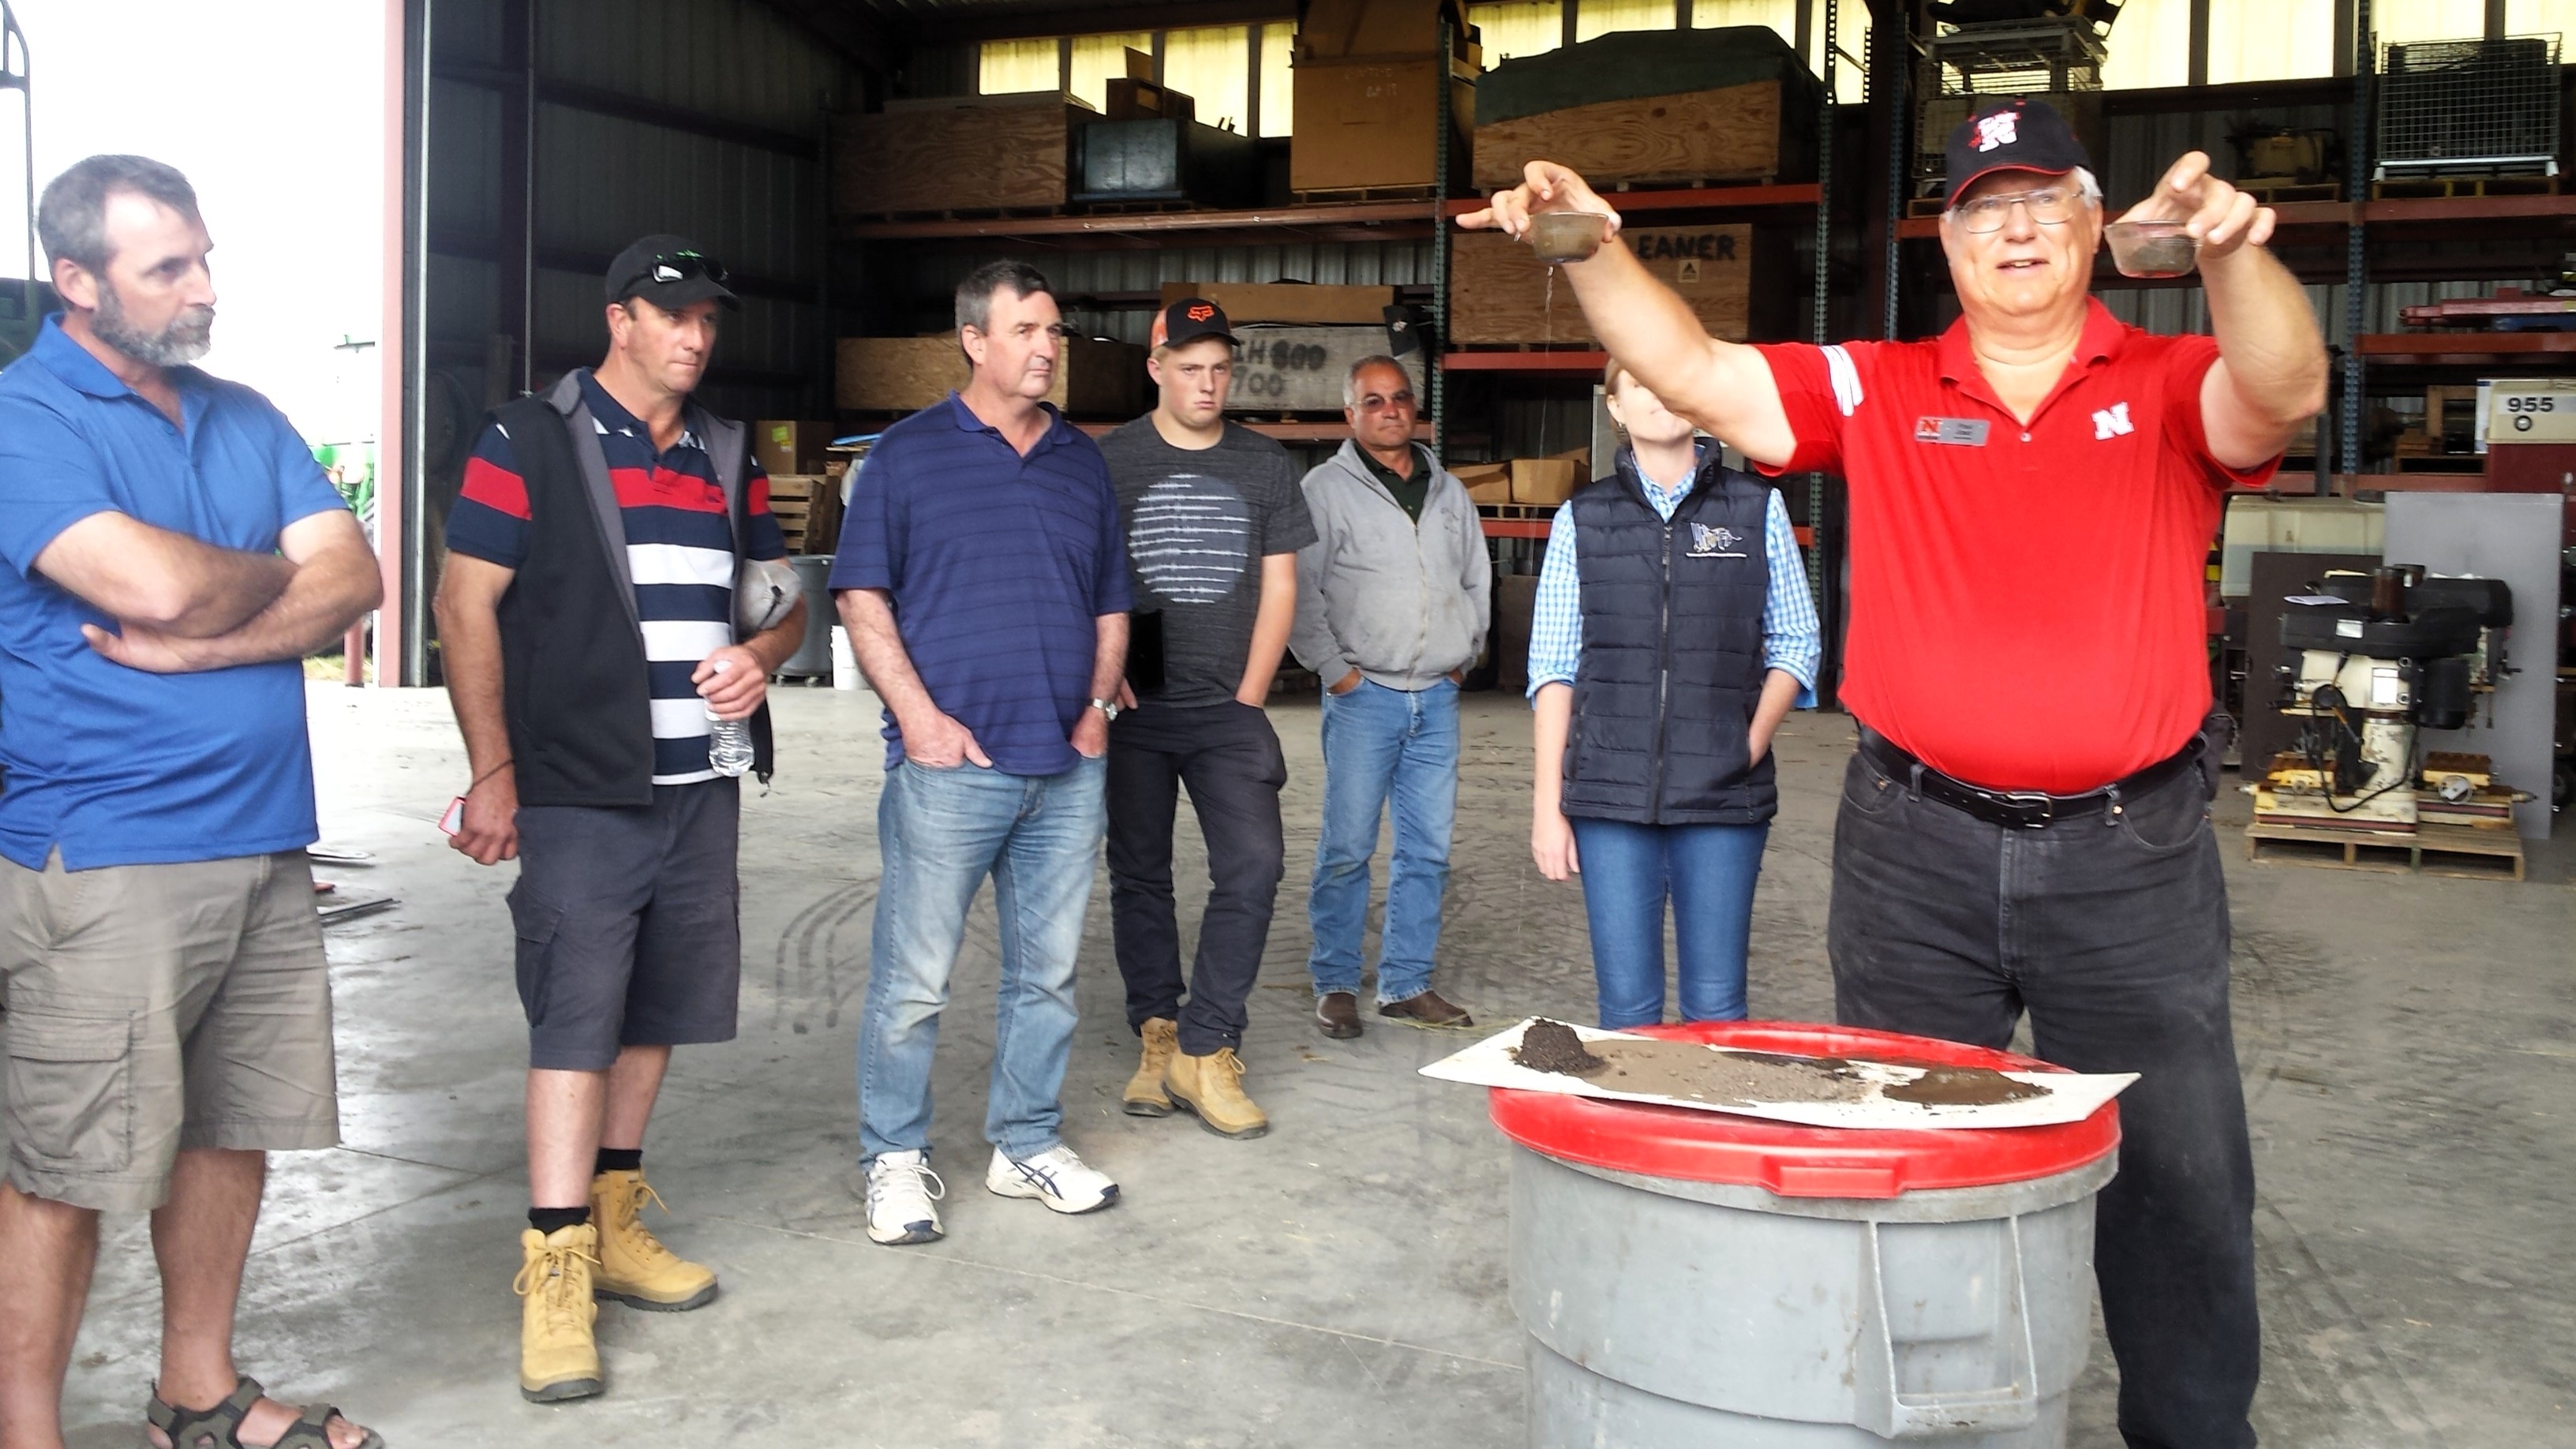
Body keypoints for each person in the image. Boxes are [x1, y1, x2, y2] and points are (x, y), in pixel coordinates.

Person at [1466, 98, 2327, 1449]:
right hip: (1911, 846)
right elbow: (1691, 369)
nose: (2019, 227)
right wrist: (1587, 248)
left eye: (2045, 200)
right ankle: (1924, 1423)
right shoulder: (1876, 387)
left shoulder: (2160, 387)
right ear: (1947, 240)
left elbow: (2279, 388)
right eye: (1986, 207)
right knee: (1908, 1158)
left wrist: (2229, 253)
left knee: (2176, 1180)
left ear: (2098, 227)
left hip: (2128, 859)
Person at [0, 155, 383, 1449]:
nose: (202, 286)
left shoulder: (241, 413)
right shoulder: (25, 420)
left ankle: (197, 1394)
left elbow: (352, 576)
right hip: (105, 854)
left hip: (264, 844)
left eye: (203, 257)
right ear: (78, 281)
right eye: (168, 266)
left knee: (230, 1133)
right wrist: (250, 589)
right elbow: (145, 583)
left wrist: (216, 638)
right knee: (67, 1167)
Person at [434, 234, 807, 1404]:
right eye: (675, 313)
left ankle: (613, 1219)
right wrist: (493, 770)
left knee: (656, 1009)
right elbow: (463, 601)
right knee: (576, 1015)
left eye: (710, 316)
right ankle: (553, 1265)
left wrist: (759, 654)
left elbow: (783, 595)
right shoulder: (528, 439)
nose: (697, 334)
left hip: (700, 785)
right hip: (582, 785)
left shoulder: (726, 452)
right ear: (621, 321)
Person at [832, 259, 1130, 1246]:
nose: (1047, 348)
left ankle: (1025, 1142)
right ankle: (893, 1158)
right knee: (914, 983)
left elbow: (1110, 599)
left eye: (1056, 331)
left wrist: (1094, 705)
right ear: (974, 340)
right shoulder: (906, 457)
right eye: (1027, 330)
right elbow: (861, 598)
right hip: (950, 770)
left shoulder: (1081, 458)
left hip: (1065, 763)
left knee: (1047, 977)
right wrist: (918, 717)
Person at [1526, 359, 1820, 1028]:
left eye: (1670, 380)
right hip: (1609, 797)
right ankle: (1635, 1131)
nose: (1659, 396)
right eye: (1639, 385)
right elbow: (1552, 667)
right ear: (1615, 409)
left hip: (1722, 796)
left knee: (1716, 1007)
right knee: (1627, 1010)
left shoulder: (1755, 507)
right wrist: (1550, 807)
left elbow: (1797, 643)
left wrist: (1748, 742)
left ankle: (1709, 1132)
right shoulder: (1583, 517)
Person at [1098, 298, 1314, 1140]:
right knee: (1141, 874)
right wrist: (1105, 672)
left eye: (1220, 368)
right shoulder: (1111, 461)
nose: (1208, 383)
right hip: (1136, 709)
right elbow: (1089, 575)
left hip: (1229, 708)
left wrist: (1251, 695)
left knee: (1254, 866)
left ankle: (1207, 1041)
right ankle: (1157, 1037)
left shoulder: (1264, 464)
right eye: (1190, 368)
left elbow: (1282, 583)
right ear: (1157, 368)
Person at [1289, 356, 1492, 1039]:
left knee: (1427, 850)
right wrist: (1334, 671)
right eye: (1372, 401)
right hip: (1364, 697)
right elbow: (1300, 589)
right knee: (1347, 847)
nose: (1389, 410)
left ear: (1415, 408)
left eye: (1399, 398)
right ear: (1350, 415)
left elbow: (1476, 580)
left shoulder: (1447, 489)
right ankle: (1337, 981)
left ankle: (1406, 982)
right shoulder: (1324, 488)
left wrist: (1465, 656)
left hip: (1436, 697)